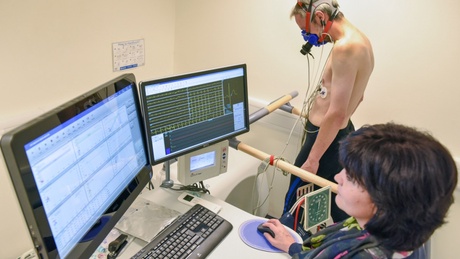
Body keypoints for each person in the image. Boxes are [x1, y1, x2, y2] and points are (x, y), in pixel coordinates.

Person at [263, 123, 458, 258]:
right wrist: (293, 247)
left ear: (384, 202)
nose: (337, 178)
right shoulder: (404, 232)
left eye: (349, 177)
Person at [284, 0, 374, 223]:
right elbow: (358, 98)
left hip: (326, 139)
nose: (306, 36)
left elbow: (337, 114)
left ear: (321, 18)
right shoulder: (360, 40)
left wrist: (313, 158)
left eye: (306, 30)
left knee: (295, 204)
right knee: (336, 203)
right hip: (336, 135)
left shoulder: (346, 48)